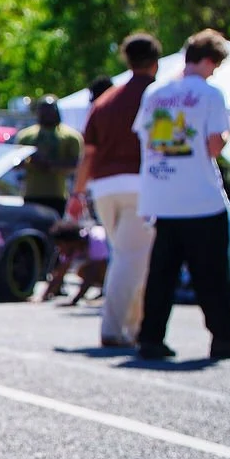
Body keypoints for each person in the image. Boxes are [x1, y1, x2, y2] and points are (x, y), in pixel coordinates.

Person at [132, 29, 230, 361]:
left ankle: (150, 338)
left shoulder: (155, 93)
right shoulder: (211, 93)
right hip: (200, 198)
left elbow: (145, 137)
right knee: (211, 274)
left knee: (162, 274)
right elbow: (213, 146)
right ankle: (223, 337)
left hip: (162, 196)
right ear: (210, 60)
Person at [70, 33, 160, 348]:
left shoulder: (104, 101)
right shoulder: (156, 96)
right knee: (131, 259)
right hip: (140, 185)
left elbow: (89, 154)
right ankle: (112, 329)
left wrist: (78, 194)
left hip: (103, 189)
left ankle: (133, 328)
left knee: (131, 258)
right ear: (155, 62)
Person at [13, 95, 81, 217]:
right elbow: (15, 163)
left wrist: (51, 164)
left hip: (57, 194)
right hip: (32, 194)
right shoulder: (26, 136)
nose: (47, 114)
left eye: (50, 110)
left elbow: (76, 164)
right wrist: (31, 162)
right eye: (43, 111)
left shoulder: (70, 136)